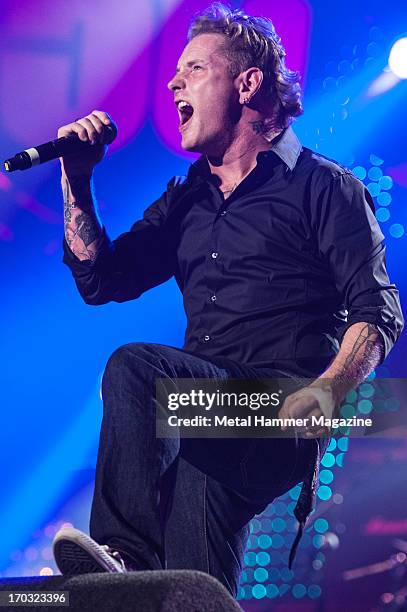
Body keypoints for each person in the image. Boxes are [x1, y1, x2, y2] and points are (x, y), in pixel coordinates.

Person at [52, 3, 403, 599]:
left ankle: (123, 554)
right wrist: (77, 178)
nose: (173, 82)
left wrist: (327, 391)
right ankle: (158, 586)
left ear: (247, 83)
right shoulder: (187, 199)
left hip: (275, 404)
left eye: (193, 69)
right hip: (204, 419)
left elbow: (379, 311)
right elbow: (103, 278)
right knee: (192, 585)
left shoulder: (324, 187)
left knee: (138, 370)